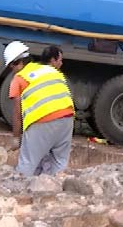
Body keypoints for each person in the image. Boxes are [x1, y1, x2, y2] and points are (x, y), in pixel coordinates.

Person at [5, 42, 75, 176]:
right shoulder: (50, 69)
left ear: (17, 63)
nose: (11, 69)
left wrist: (16, 137)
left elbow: (17, 111)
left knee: (27, 163)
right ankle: (56, 193)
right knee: (59, 163)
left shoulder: (19, 78)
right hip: (67, 118)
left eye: (10, 66)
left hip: (43, 120)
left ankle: (18, 194)